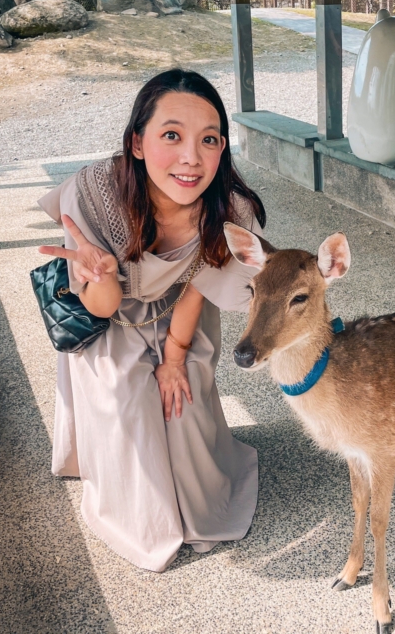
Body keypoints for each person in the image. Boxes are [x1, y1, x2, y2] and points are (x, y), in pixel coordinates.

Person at [37, 69, 265, 572]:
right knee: (127, 397)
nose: (191, 158)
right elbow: (101, 306)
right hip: (109, 319)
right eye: (171, 136)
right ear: (137, 143)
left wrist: (174, 357)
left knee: (176, 404)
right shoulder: (93, 192)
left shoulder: (230, 209)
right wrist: (96, 272)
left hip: (184, 317)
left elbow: (199, 289)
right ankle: (134, 511)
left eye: (208, 140)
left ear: (222, 147)